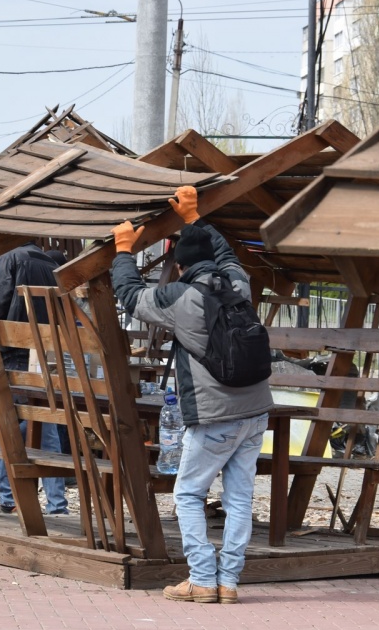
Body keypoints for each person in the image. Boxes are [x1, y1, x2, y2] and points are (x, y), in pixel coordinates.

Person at [110, 185, 273, 605]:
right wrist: (194, 218)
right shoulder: (238, 283)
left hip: (216, 416)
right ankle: (228, 582)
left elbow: (131, 296)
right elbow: (226, 253)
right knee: (239, 498)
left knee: (188, 494)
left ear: (180, 266)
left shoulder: (181, 297)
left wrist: (123, 251)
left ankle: (201, 579)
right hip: (256, 412)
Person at [0, 242, 70, 516]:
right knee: (46, 429)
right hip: (42, 358)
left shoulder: (10, 257)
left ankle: (7, 498)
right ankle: (57, 504)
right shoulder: (50, 264)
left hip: (11, 355)